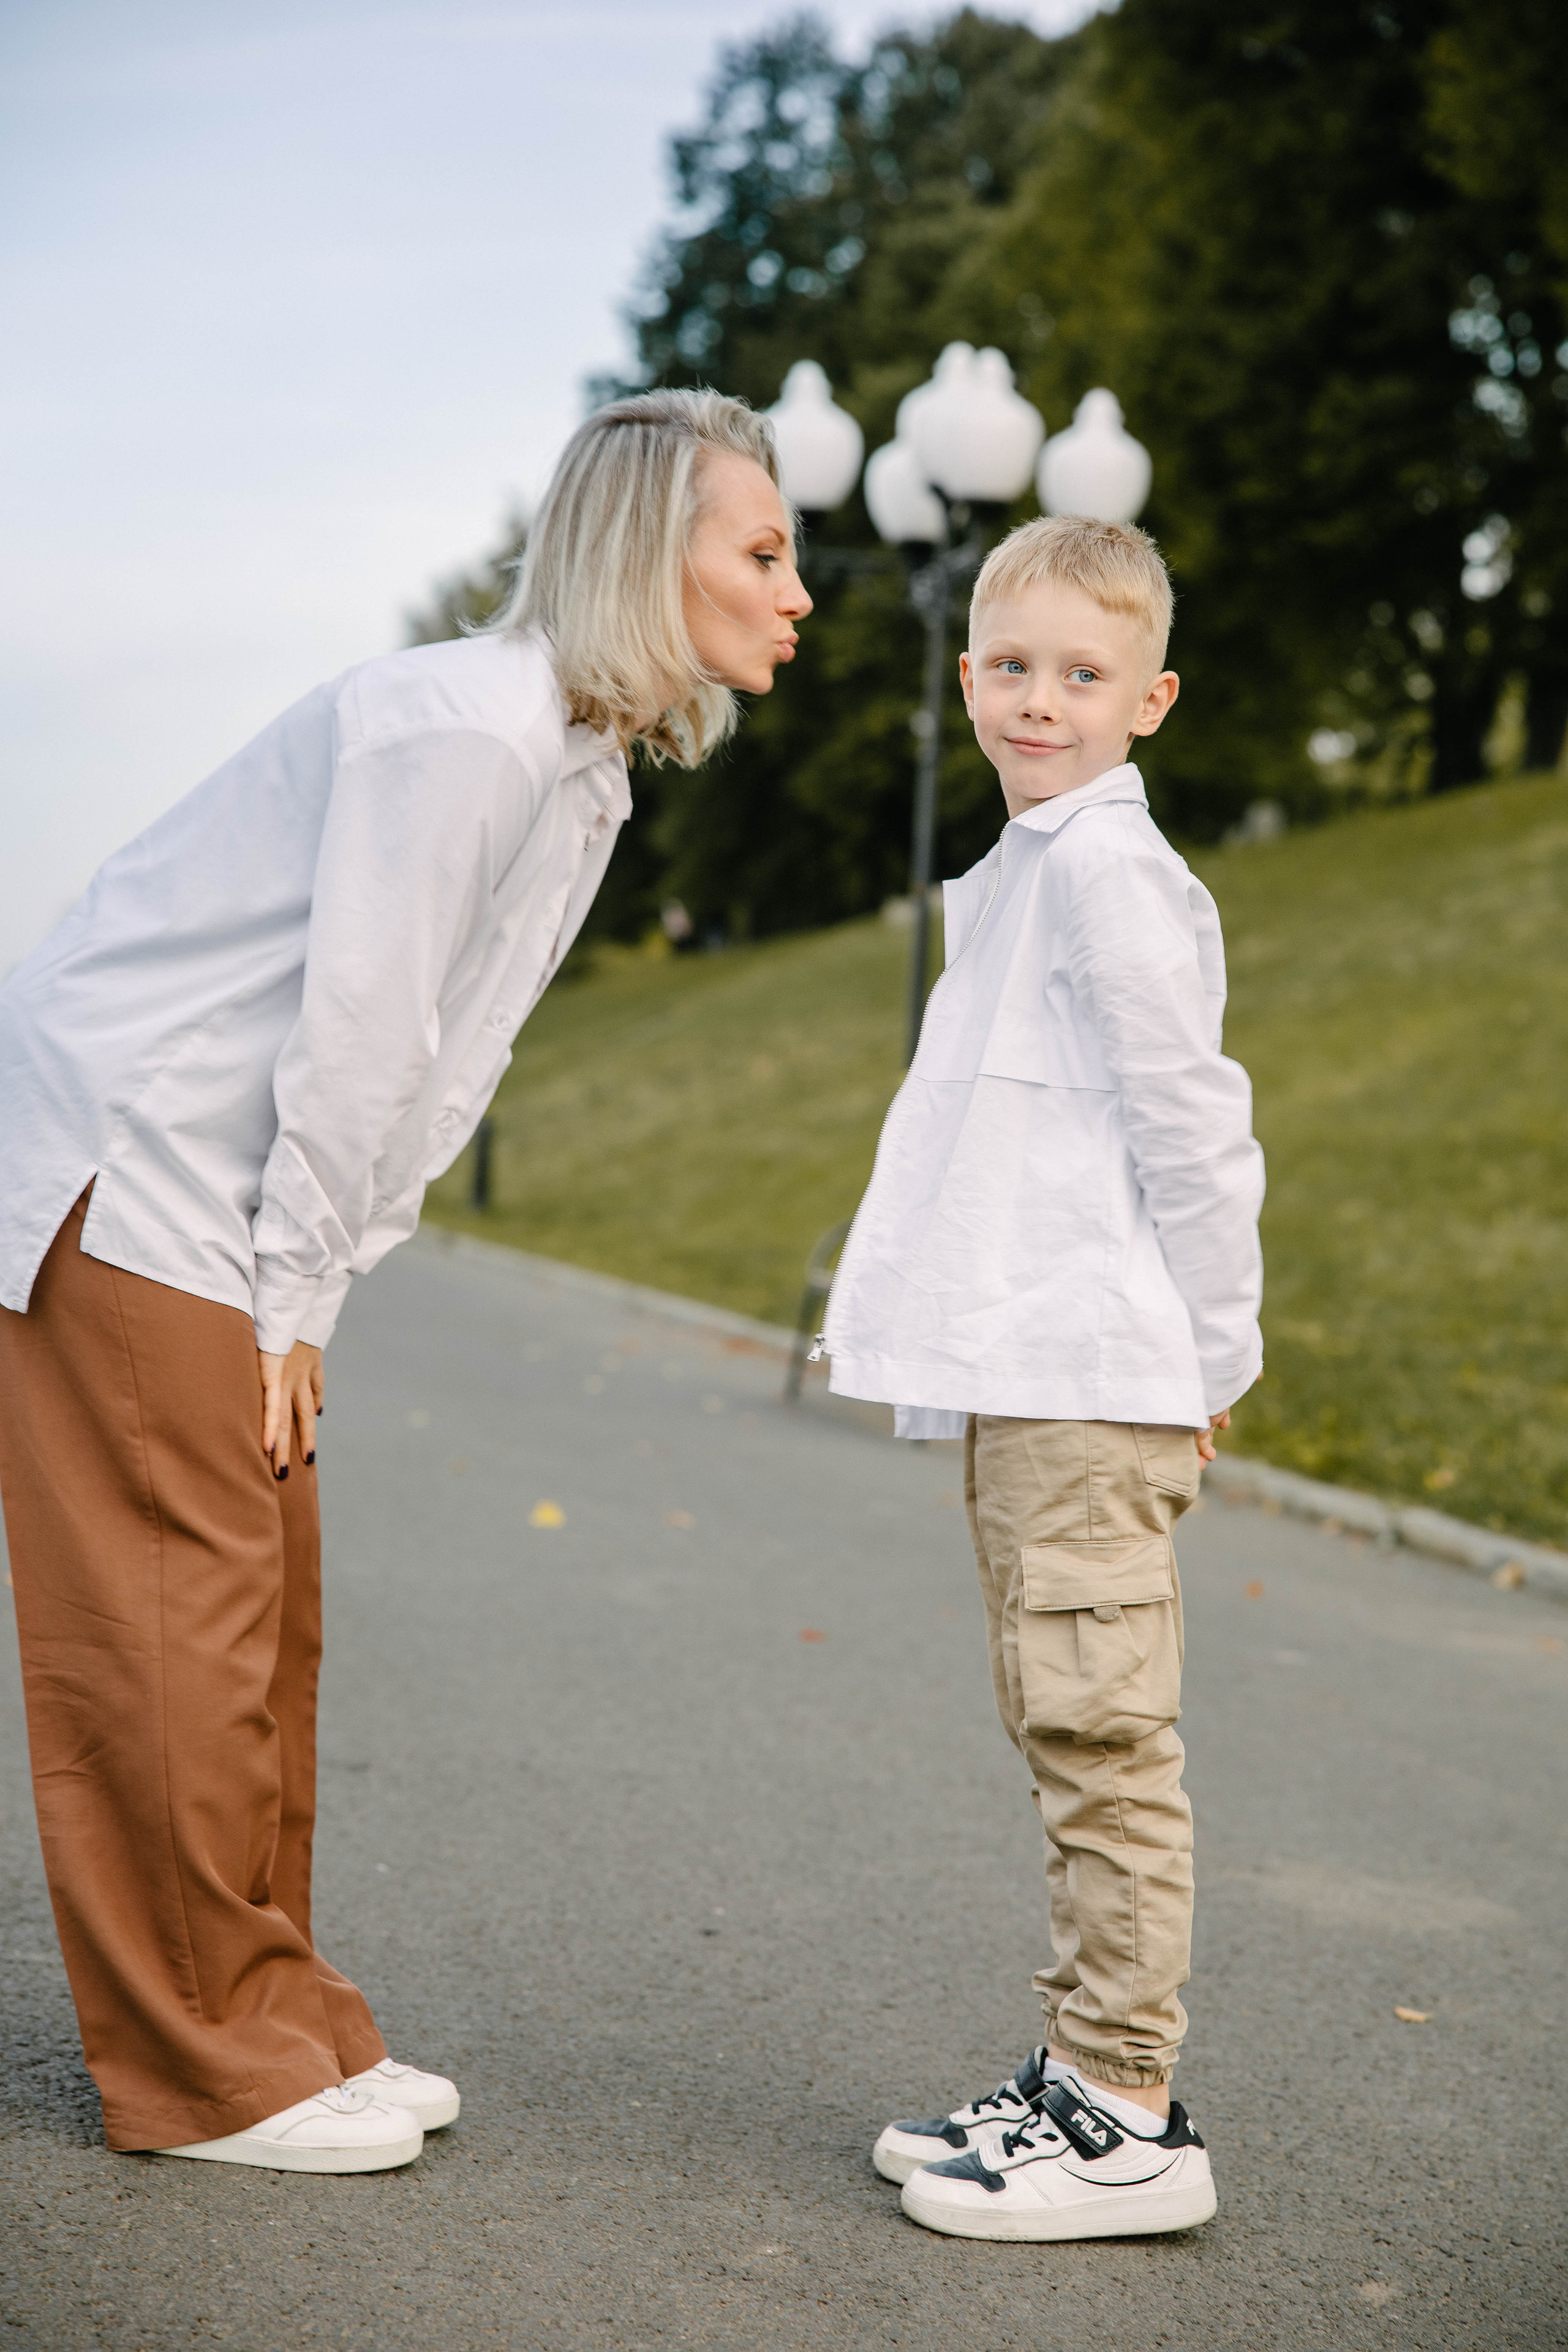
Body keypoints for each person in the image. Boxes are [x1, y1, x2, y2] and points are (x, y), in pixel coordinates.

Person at [0, 390, 810, 2174]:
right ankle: (202, 2070)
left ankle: (275, 2016)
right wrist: (288, 1289)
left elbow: (441, 1067)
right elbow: (361, 1028)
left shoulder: (574, 764)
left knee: (261, 1608)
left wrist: (318, 1294)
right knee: (172, 1620)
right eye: (763, 550)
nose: (797, 591)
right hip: (128, 1164)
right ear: (640, 549)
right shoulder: (464, 729)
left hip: (225, 1190)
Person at [821, 514, 1263, 2242]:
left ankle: (1131, 2116)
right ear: (967, 675)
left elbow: (1193, 1126)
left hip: (1100, 1378)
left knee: (1102, 1736)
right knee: (1062, 1718)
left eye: (1083, 675)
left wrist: (1210, 1348)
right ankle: (1082, 2075)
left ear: (1148, 699)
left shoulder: (1103, 873)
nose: (1038, 700)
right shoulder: (1026, 871)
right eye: (1011, 667)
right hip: (1042, 1380)